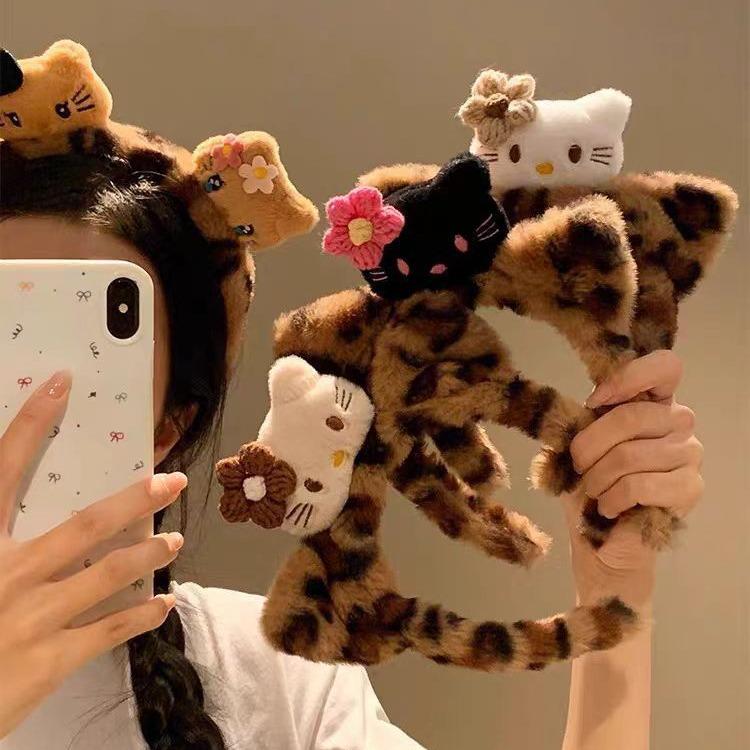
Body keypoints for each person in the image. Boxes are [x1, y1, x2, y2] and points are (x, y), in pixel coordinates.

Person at [0, 50, 703, 750]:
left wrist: (614, 585)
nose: (29, 400)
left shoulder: (273, 676)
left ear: (167, 426)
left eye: (78, 360)